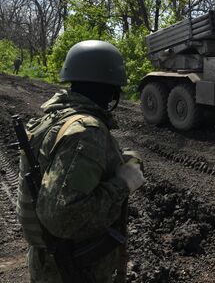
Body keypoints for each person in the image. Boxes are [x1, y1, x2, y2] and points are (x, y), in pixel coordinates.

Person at [16, 40, 145, 282]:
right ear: (112, 90)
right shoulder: (87, 132)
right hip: (73, 269)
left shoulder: (57, 118)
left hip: (49, 263)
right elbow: (63, 217)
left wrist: (114, 159)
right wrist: (122, 184)